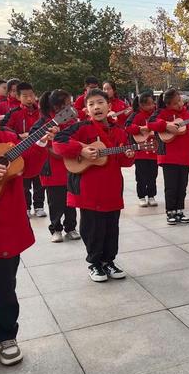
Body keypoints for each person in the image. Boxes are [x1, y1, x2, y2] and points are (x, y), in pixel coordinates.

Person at [53, 89, 135, 282]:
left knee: (111, 228)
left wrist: (129, 155)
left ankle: (108, 261)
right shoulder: (81, 127)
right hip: (88, 189)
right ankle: (94, 263)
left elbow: (123, 161)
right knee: (92, 228)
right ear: (86, 109)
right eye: (91, 104)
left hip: (113, 188)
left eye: (100, 102)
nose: (96, 107)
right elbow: (58, 142)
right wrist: (81, 149)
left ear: (110, 106)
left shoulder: (119, 131)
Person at [0, 117, 52, 367]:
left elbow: (30, 168)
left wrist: (39, 145)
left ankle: (6, 337)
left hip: (4, 230)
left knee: (5, 289)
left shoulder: (7, 136)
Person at [146, 88, 189, 225]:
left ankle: (180, 209)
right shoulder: (161, 113)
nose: (180, 104)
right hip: (169, 156)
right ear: (167, 104)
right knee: (171, 186)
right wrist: (166, 125)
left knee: (182, 186)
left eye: (180, 101)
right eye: (175, 103)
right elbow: (151, 123)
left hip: (185, 155)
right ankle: (170, 211)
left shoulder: (188, 115)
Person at [32, 90, 81, 243]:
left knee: (71, 201)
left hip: (70, 165)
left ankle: (71, 228)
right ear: (58, 107)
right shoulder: (43, 121)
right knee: (55, 202)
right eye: (67, 104)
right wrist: (47, 139)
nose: (71, 106)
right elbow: (34, 140)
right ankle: (56, 229)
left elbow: (79, 136)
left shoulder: (72, 120)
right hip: (52, 169)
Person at [0, 82, 46, 218]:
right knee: (23, 182)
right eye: (25, 96)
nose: (29, 99)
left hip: (38, 150)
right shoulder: (14, 113)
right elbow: (4, 129)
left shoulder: (41, 113)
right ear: (18, 97)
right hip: (20, 152)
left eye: (31, 95)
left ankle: (39, 206)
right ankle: (26, 207)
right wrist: (19, 136)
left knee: (39, 181)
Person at [125, 91, 159, 207]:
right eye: (149, 104)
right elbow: (128, 127)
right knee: (141, 176)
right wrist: (140, 129)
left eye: (152, 103)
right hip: (140, 152)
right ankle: (141, 196)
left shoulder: (155, 115)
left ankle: (151, 195)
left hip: (153, 151)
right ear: (141, 105)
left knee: (153, 175)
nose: (152, 106)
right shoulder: (136, 115)